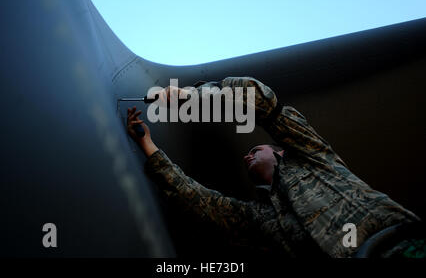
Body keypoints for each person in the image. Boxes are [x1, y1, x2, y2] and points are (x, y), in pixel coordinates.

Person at [126, 77, 423, 258]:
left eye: (255, 149)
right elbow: (201, 202)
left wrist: (193, 96)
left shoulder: (315, 158)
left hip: (402, 244)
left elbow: (265, 104)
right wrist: (147, 145)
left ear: (279, 152)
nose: (247, 157)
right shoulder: (262, 219)